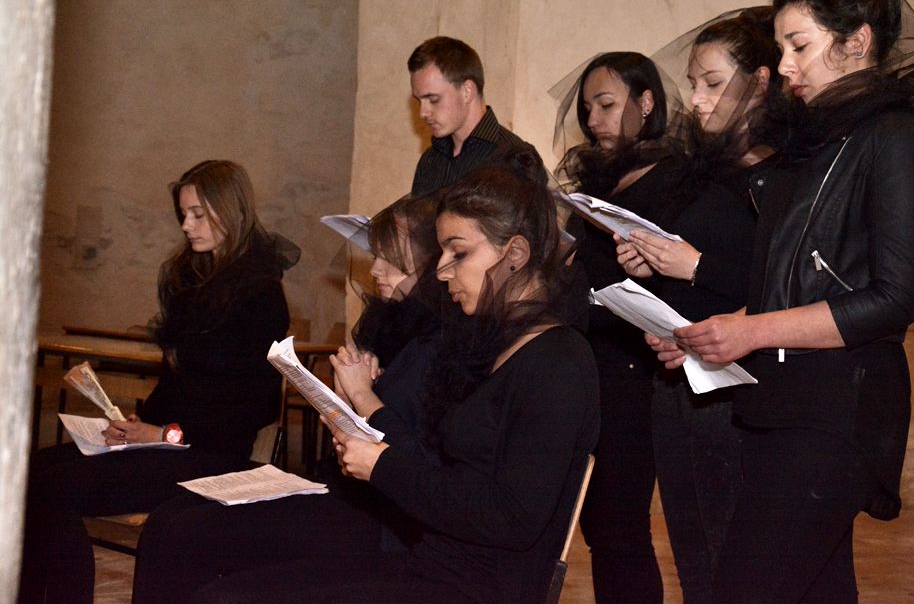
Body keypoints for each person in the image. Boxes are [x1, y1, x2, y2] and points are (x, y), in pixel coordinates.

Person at [648, 0, 914, 600]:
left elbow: (891, 299)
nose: (785, 63)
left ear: (856, 42)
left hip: (839, 414)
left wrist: (755, 330)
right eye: (781, 46)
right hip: (779, 405)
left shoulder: (902, 140)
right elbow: (792, 285)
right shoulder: (814, 144)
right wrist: (712, 333)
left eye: (799, 44)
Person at [137, 165, 599, 603]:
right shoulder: (495, 347)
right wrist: (365, 425)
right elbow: (440, 470)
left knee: (225, 596)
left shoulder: (559, 362)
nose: (440, 270)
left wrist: (381, 466)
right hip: (434, 564)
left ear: (515, 254)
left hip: (476, 589)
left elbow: (511, 519)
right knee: (216, 585)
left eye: (458, 253)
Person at [132, 192, 446, 603]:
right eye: (376, 254)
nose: (375, 269)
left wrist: (363, 395)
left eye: (391, 258)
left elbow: (416, 453)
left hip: (385, 517)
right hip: (348, 489)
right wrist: (343, 399)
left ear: (429, 263)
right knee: (170, 521)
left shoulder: (441, 340)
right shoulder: (390, 324)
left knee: (189, 539)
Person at [18, 160, 296, 603]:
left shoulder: (260, 293)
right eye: (182, 214)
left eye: (198, 214)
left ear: (232, 211)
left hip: (211, 454)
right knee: (24, 473)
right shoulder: (196, 279)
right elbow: (179, 381)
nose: (186, 225)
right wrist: (137, 422)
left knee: (49, 490)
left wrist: (165, 433)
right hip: (169, 442)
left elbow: (252, 407)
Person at [613, 9, 782, 603]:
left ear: (761, 82)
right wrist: (653, 277)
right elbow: (691, 279)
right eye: (692, 83)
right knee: (690, 549)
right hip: (680, 381)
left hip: (741, 394)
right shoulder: (706, 169)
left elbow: (785, 290)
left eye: (712, 82)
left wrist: (697, 266)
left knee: (734, 561)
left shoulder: (787, 174)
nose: (697, 99)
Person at [553, 51, 682, 604]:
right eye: (588, 109)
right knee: (599, 525)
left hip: (642, 370)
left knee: (620, 522)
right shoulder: (595, 176)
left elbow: (689, 278)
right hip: (591, 363)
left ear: (646, 102)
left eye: (607, 104)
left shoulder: (678, 176)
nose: (594, 120)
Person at [408, 36, 544, 196]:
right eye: (419, 101)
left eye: (433, 99)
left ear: (467, 91)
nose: (423, 113)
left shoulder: (516, 158)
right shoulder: (430, 159)